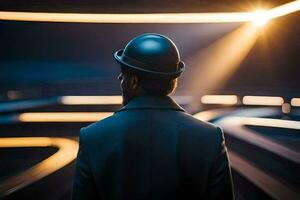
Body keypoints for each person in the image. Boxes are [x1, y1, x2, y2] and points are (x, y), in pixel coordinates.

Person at [72, 33, 234, 200]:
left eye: (123, 74)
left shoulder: (92, 137)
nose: (120, 78)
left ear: (133, 81)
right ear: (173, 82)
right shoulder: (210, 138)